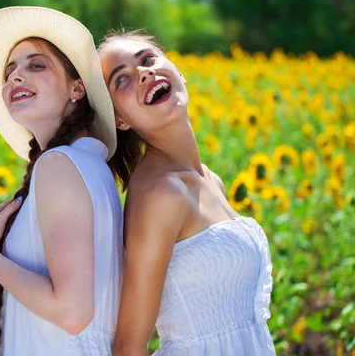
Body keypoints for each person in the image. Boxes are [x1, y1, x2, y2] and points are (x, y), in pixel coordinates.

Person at [97, 31, 275, 355]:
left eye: (148, 59)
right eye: (121, 79)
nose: (144, 73)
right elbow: (128, 346)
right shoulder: (160, 193)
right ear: (119, 119)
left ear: (178, 71)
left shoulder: (210, 180)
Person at [0, 6, 124, 356]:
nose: (15, 78)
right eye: (10, 71)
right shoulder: (89, 164)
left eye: (36, 65)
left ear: (77, 89)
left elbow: (71, 312)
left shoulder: (59, 165)